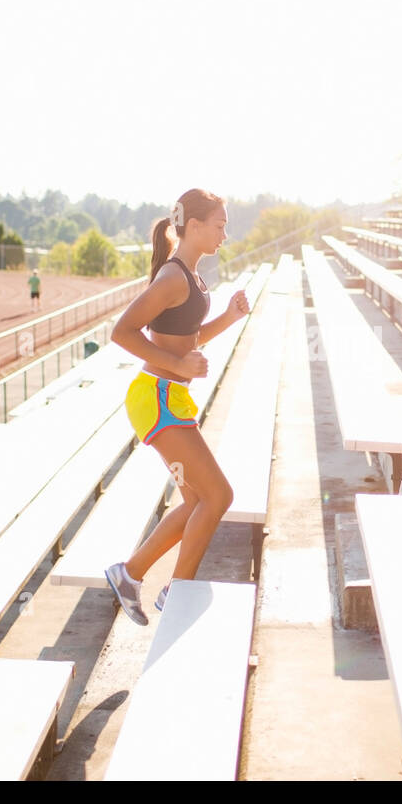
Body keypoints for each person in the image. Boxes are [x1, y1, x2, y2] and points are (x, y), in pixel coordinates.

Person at [103, 189, 250, 624]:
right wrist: (178, 363)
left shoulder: (191, 277)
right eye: (220, 224)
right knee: (218, 495)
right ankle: (178, 593)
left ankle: (129, 575)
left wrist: (227, 318)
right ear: (197, 225)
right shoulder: (173, 277)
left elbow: (186, 339)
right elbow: (122, 332)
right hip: (156, 396)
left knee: (196, 502)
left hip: (171, 396)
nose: (226, 232)